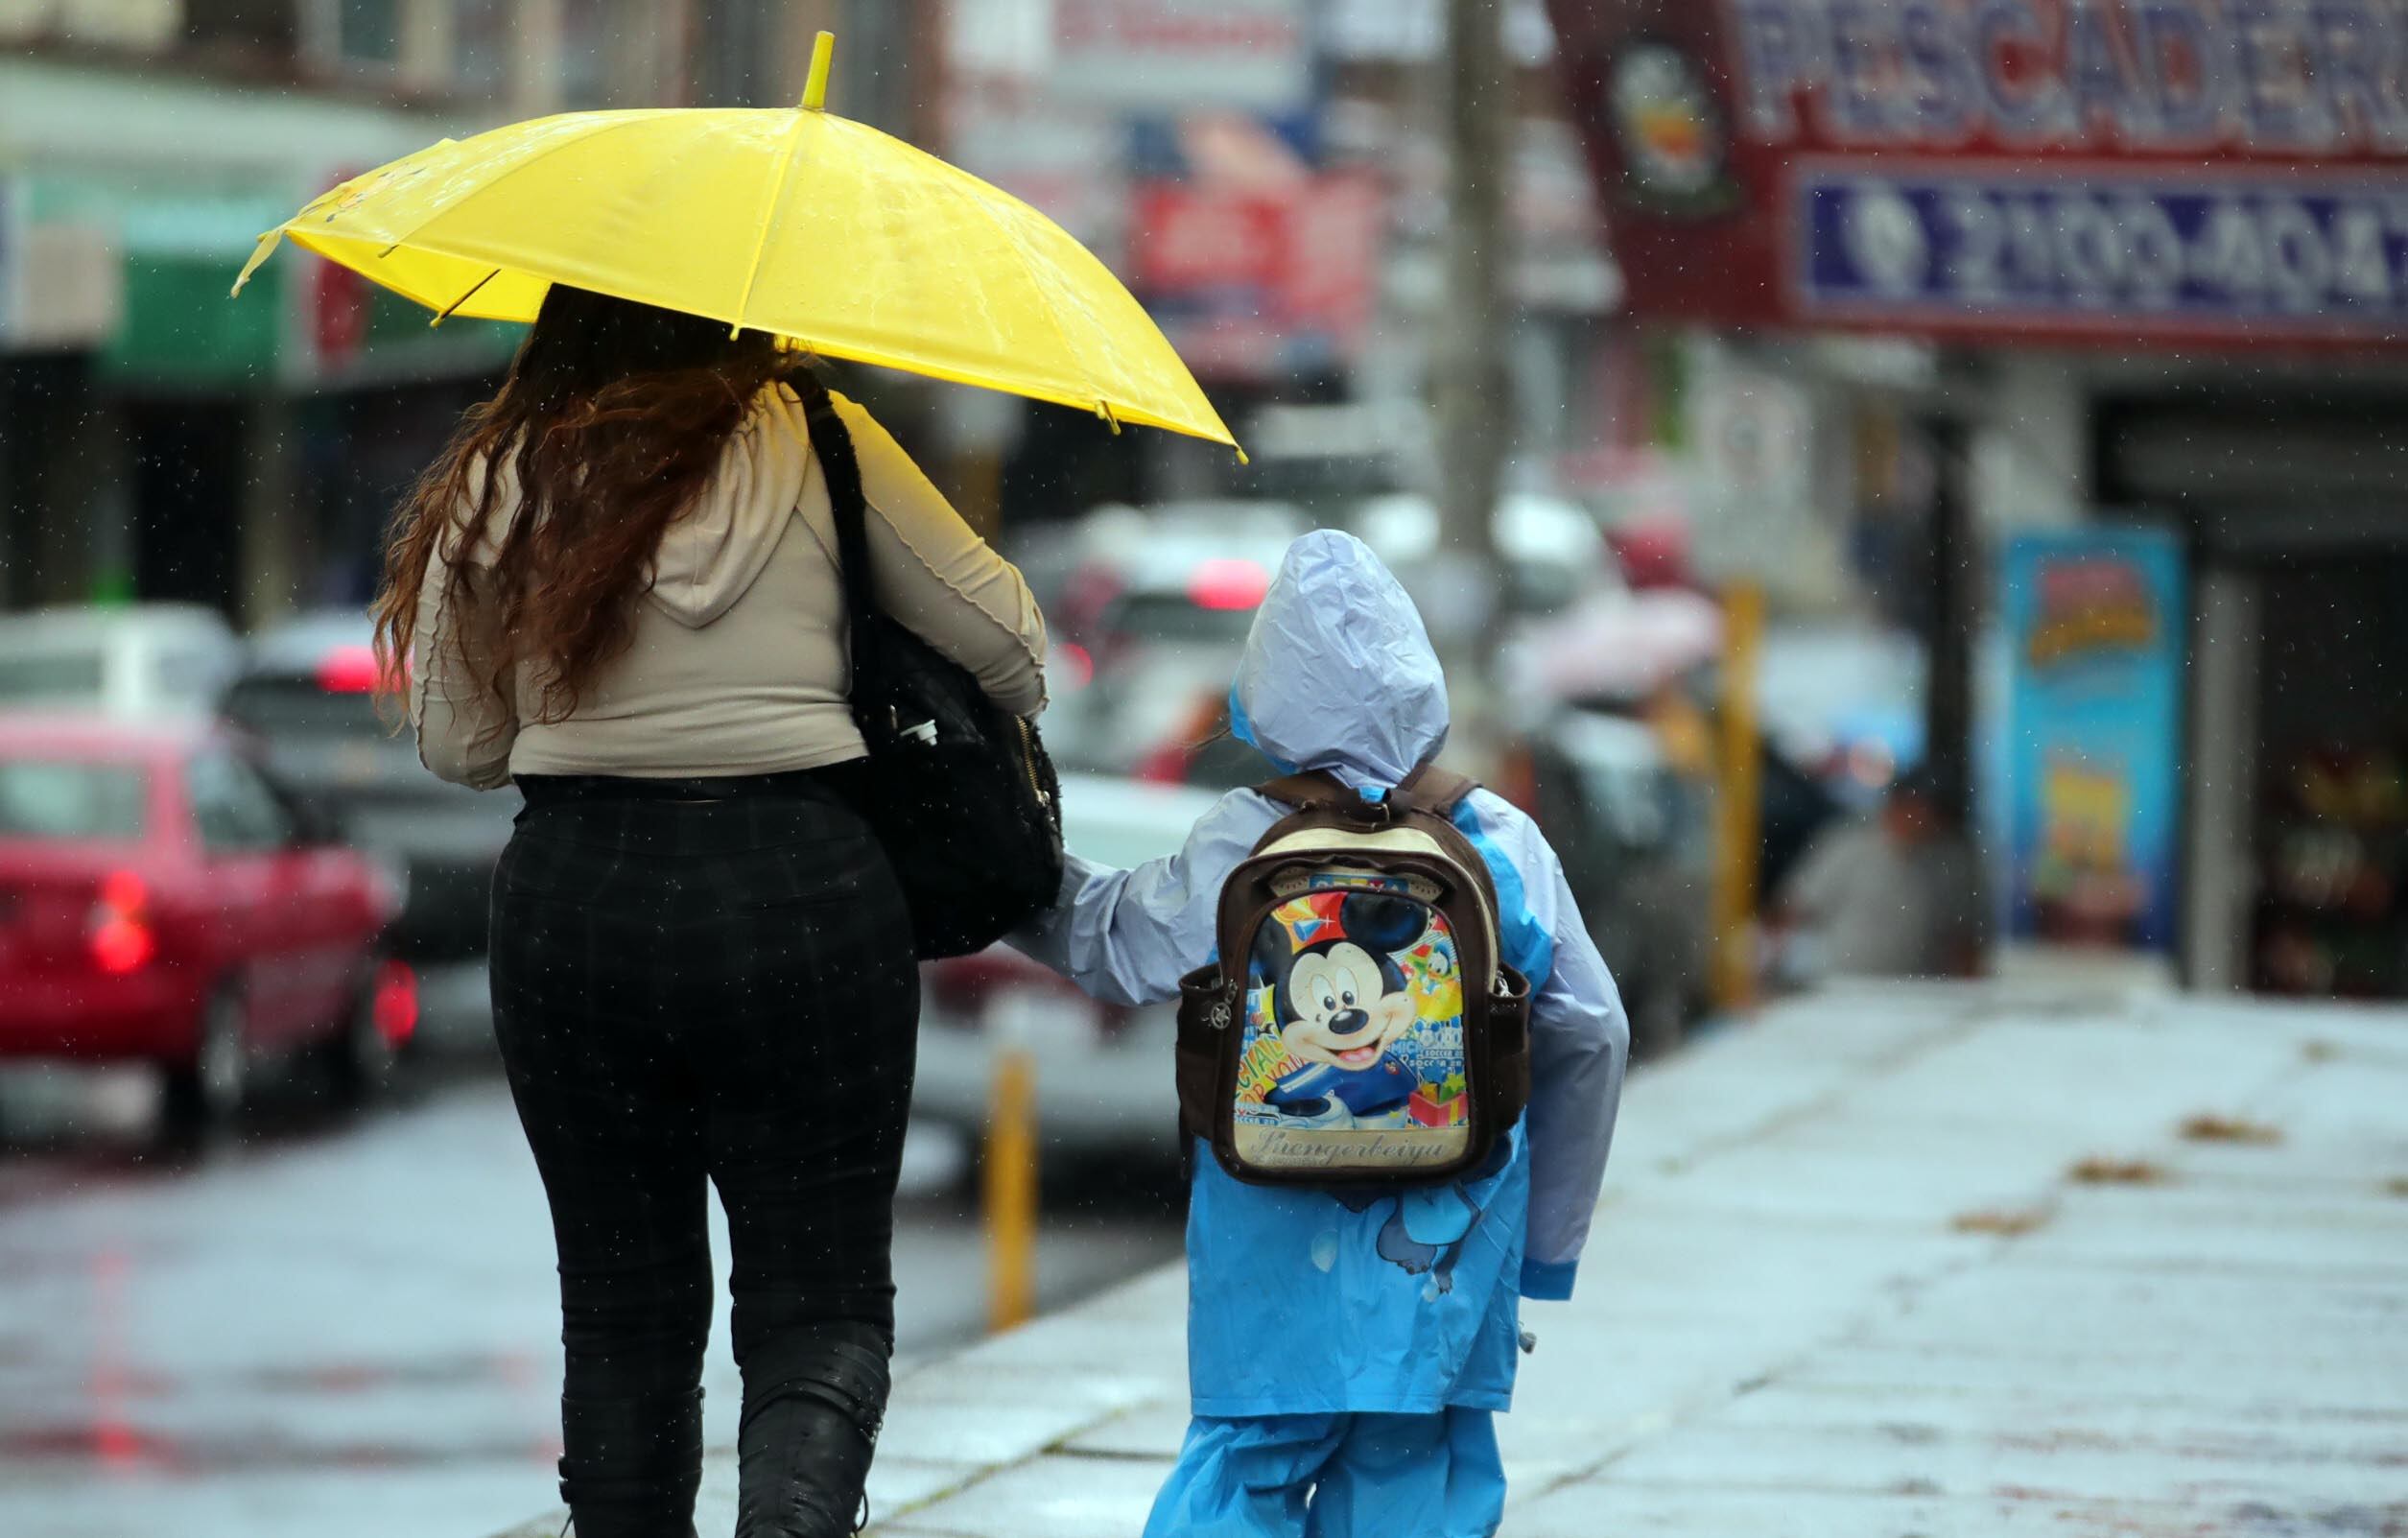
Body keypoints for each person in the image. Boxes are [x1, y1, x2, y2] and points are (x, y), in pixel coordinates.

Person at [374, 286, 1047, 1538]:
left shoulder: (501, 470)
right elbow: (1013, 650)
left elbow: (463, 746)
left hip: (575, 902)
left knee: (622, 1305)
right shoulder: (823, 434)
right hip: (804, 888)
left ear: (564, 317)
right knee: (818, 1297)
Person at [1013, 531, 1628, 1538]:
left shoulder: (1242, 842)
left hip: (1266, 1252)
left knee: (1237, 1476)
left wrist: (1005, 876)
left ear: (1268, 693)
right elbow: (1591, 1031)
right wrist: (1545, 1246)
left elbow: (1109, 947)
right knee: (1415, 1483)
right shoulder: (1499, 841)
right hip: (1447, 1256)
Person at [1770, 766, 1992, 982]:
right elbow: (1792, 909)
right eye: (1914, 809)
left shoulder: (1949, 860)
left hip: (1916, 993)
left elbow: (1962, 938)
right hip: (1841, 987)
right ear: (1896, 805)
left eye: (1930, 814)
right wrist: (1771, 972)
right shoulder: (1849, 844)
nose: (1920, 820)